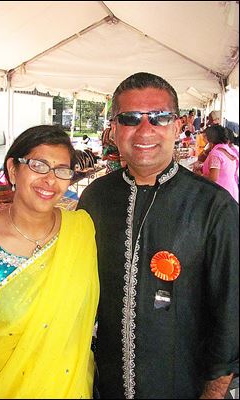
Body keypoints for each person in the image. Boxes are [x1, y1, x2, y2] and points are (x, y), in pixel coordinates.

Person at [77, 72, 239, 399]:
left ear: (177, 126)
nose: (145, 129)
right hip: (106, 383)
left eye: (160, 118)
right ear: (114, 130)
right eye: (130, 118)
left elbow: (231, 308)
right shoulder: (95, 199)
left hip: (184, 385)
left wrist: (214, 391)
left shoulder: (213, 205)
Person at [0, 125, 99, 399]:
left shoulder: (82, 230)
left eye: (61, 170)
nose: (50, 179)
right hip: (1, 387)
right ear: (13, 169)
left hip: (71, 388)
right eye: (39, 165)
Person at [202, 125, 239, 202]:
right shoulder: (227, 150)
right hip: (231, 190)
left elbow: (213, 178)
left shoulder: (216, 153)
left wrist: (199, 175)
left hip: (222, 194)